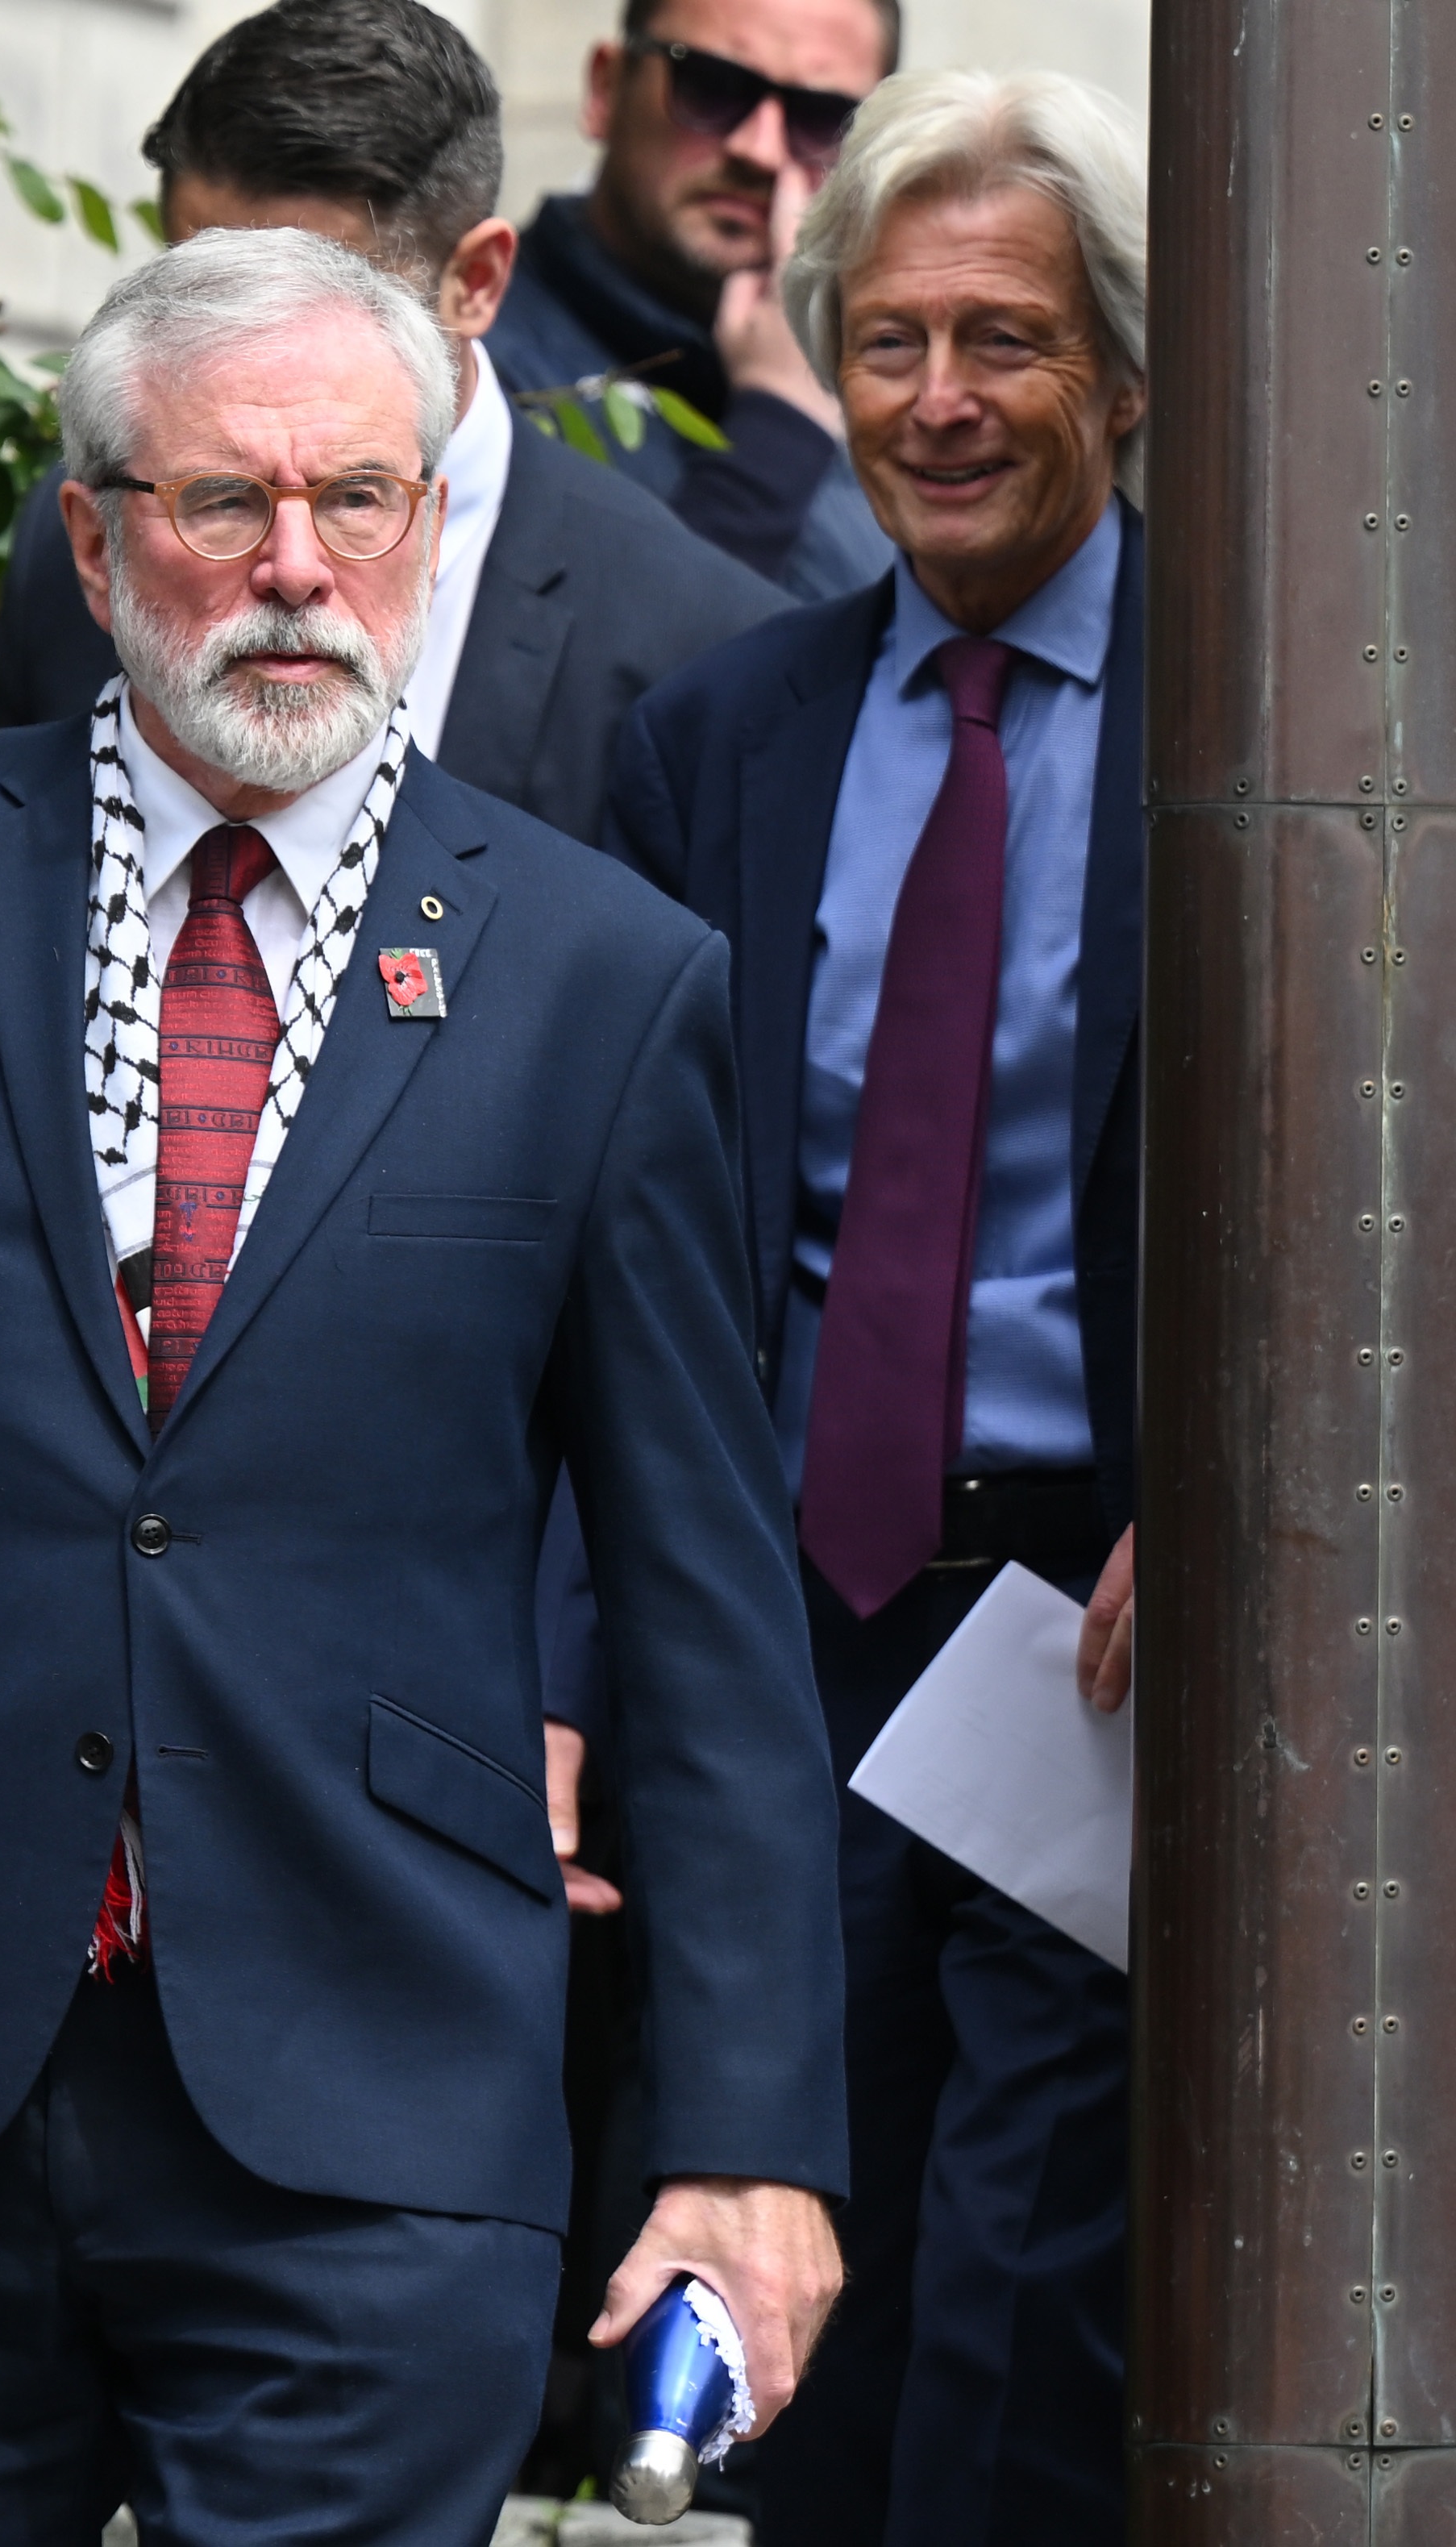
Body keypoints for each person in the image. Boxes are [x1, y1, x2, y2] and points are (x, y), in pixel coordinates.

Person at [0, 223, 847, 2545]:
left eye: (360, 500)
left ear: (428, 524)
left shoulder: (608, 979)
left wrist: (752, 2137)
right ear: (100, 534)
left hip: (377, 2086)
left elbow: (706, 1602)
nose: (295, 566)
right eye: (226, 503)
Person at [601, 69, 1150, 2545]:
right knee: (788, 2227)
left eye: (1005, 343)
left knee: (1041, 2286)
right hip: (781, 1610)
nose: (936, 401)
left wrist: (1232, 1504)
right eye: (890, 339)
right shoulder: (715, 733)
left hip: (1100, 1613)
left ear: (1122, 378)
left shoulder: (1272, 734)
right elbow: (615, 1242)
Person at [0, 0, 788, 861]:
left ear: (476, 282)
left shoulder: (702, 646)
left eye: (328, 301)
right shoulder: (87, 530)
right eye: (199, 287)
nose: (245, 354)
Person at [482, 0, 898, 601]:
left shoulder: (901, 399)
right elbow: (566, 684)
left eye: (822, 118)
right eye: (712, 87)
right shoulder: (462, 363)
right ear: (605, 89)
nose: (760, 149)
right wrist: (777, 434)